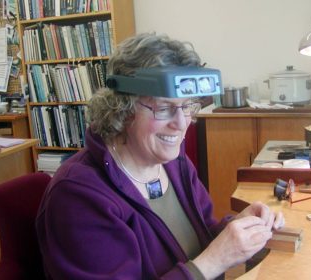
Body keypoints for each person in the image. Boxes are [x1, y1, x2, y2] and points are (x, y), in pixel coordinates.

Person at [36, 32, 284, 280]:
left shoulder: (176, 164)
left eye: (188, 106)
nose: (181, 123)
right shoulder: (78, 196)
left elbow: (203, 238)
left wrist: (238, 230)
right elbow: (206, 260)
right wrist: (213, 261)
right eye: (164, 108)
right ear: (122, 108)